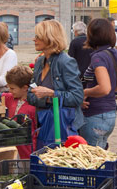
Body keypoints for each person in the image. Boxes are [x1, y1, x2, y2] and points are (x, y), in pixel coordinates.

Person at [28, 19, 84, 149]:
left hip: (63, 125)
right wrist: (47, 98)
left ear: (49, 38)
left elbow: (77, 96)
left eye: (38, 36)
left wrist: (51, 94)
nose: (34, 39)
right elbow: (30, 95)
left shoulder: (65, 62)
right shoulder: (40, 62)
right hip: (43, 124)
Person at [80, 18, 117, 148]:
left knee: (92, 161)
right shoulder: (116, 54)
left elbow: (105, 88)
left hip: (95, 114)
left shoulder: (98, 57)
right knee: (100, 156)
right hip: (109, 113)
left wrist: (85, 92)